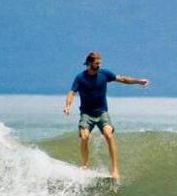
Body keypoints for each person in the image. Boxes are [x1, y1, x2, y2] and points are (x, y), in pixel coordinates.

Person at [63, 51, 150, 182]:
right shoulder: (80, 78)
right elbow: (71, 92)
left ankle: (115, 169)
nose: (99, 65)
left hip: (102, 112)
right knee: (85, 136)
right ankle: (85, 165)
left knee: (109, 134)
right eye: (96, 63)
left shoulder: (104, 74)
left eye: (100, 63)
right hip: (86, 113)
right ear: (89, 63)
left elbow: (122, 79)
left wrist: (138, 81)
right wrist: (68, 106)